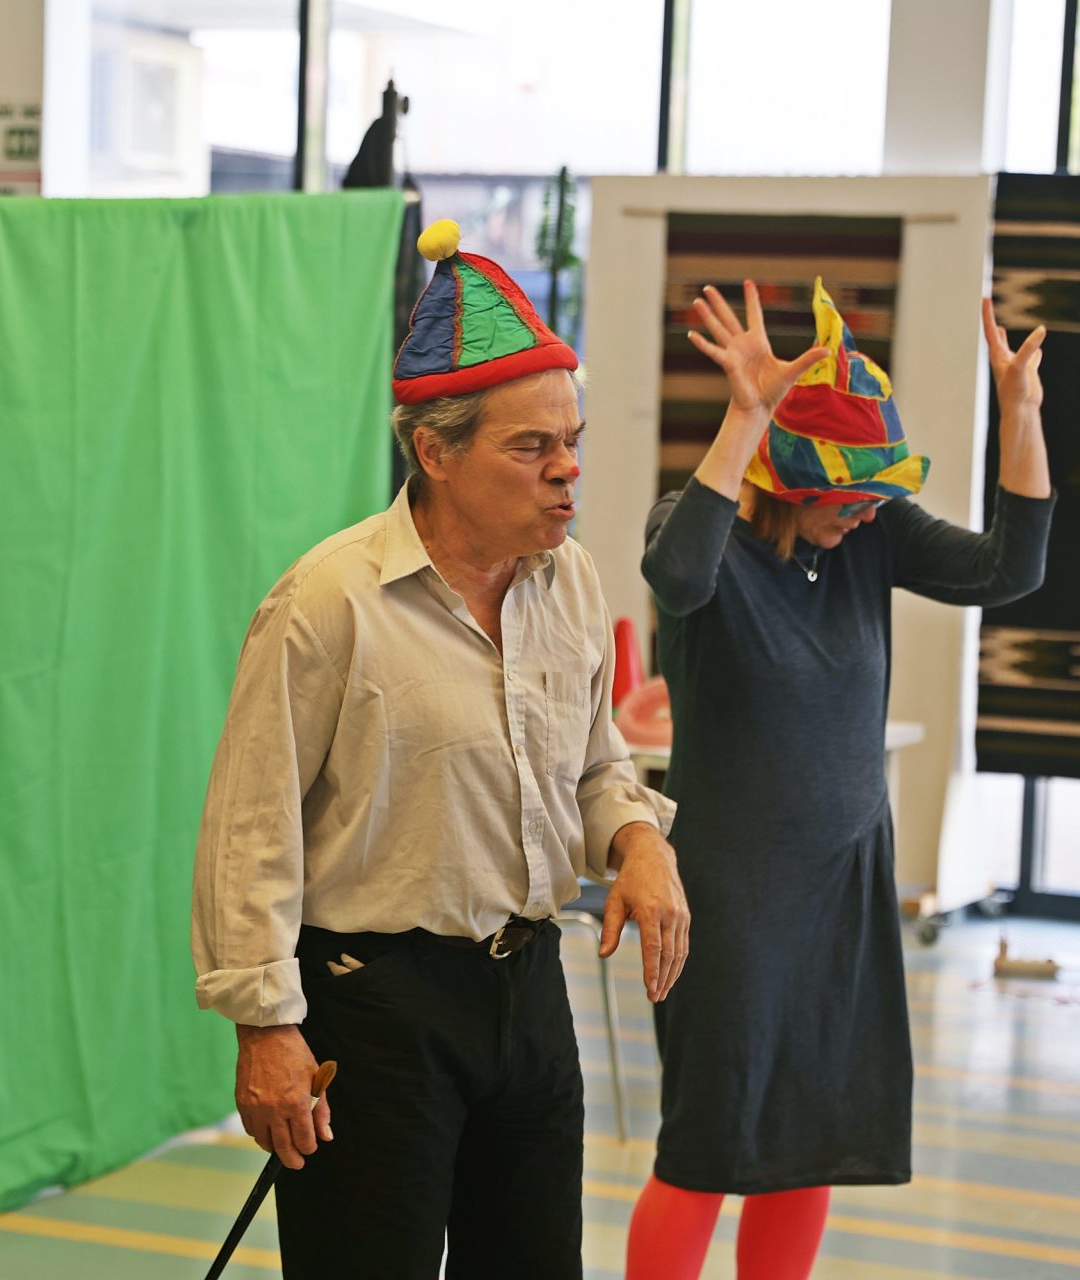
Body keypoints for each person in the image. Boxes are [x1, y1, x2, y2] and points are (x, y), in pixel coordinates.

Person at [192, 219, 690, 1280]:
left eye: (573, 440)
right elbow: (250, 827)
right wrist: (265, 1027)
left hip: (529, 991)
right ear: (435, 453)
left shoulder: (571, 579)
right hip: (373, 1003)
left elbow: (595, 765)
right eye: (531, 447)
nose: (568, 470)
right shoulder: (328, 602)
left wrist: (639, 840)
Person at [626, 278, 1054, 1279]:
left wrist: (1021, 416)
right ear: (787, 478)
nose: (865, 514)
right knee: (706, 1144)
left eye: (875, 496)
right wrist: (747, 414)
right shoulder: (699, 532)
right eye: (848, 495)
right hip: (729, 893)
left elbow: (1009, 569)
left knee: (811, 1138)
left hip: (845, 885)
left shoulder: (871, 532)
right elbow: (676, 577)